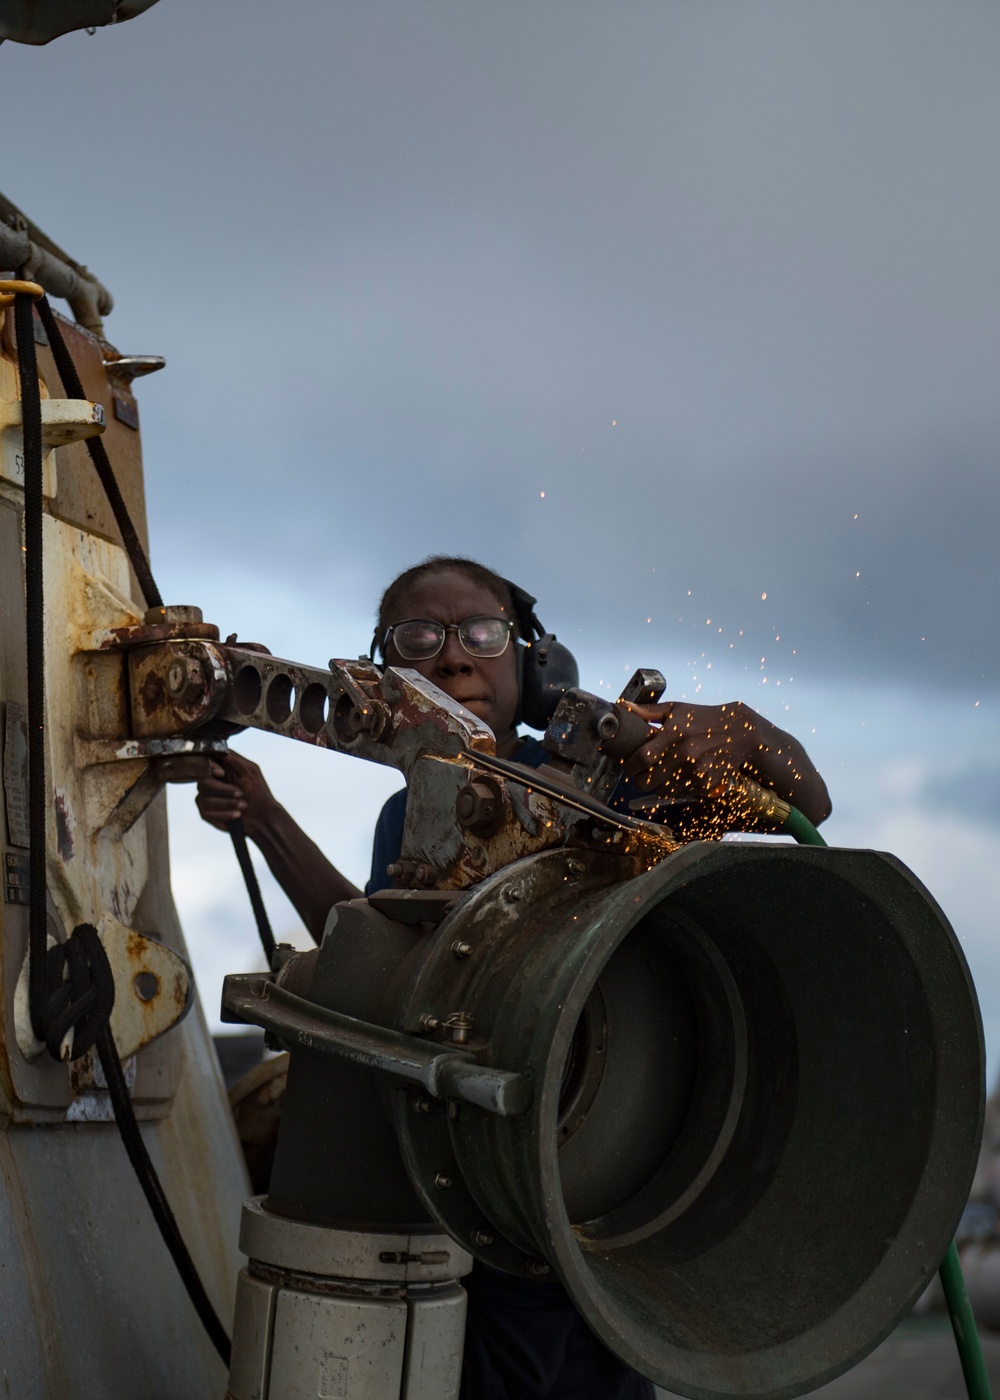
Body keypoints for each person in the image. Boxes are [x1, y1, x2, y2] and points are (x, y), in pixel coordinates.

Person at [196, 554, 831, 1400]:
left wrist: (678, 734)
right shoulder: (410, 811)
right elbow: (379, 967)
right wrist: (267, 819)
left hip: (603, 1187)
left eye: (480, 633)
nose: (453, 656)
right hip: (482, 1196)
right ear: (386, 672)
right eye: (419, 637)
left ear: (531, 665)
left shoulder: (615, 792)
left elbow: (803, 796)